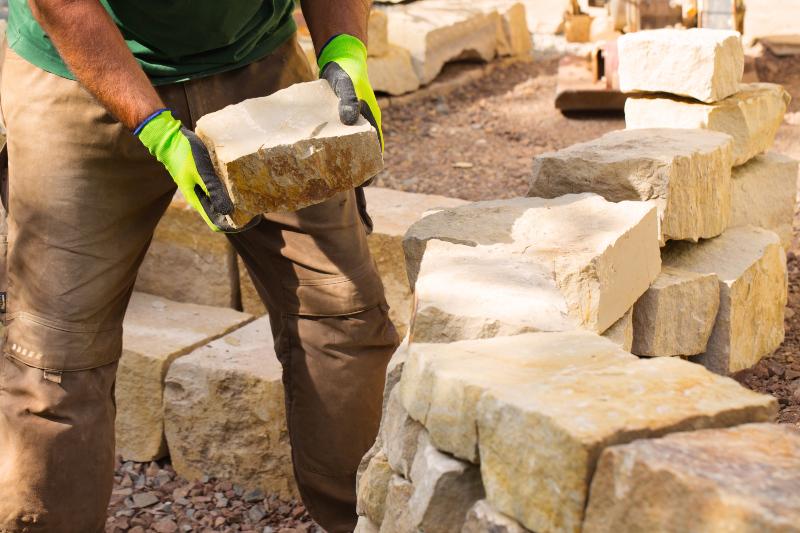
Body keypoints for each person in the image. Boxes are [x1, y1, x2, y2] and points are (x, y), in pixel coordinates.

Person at [0, 1, 399, 532]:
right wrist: (158, 132)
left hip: (259, 66)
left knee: (343, 312)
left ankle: (371, 520)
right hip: (78, 71)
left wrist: (344, 51)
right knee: (56, 359)